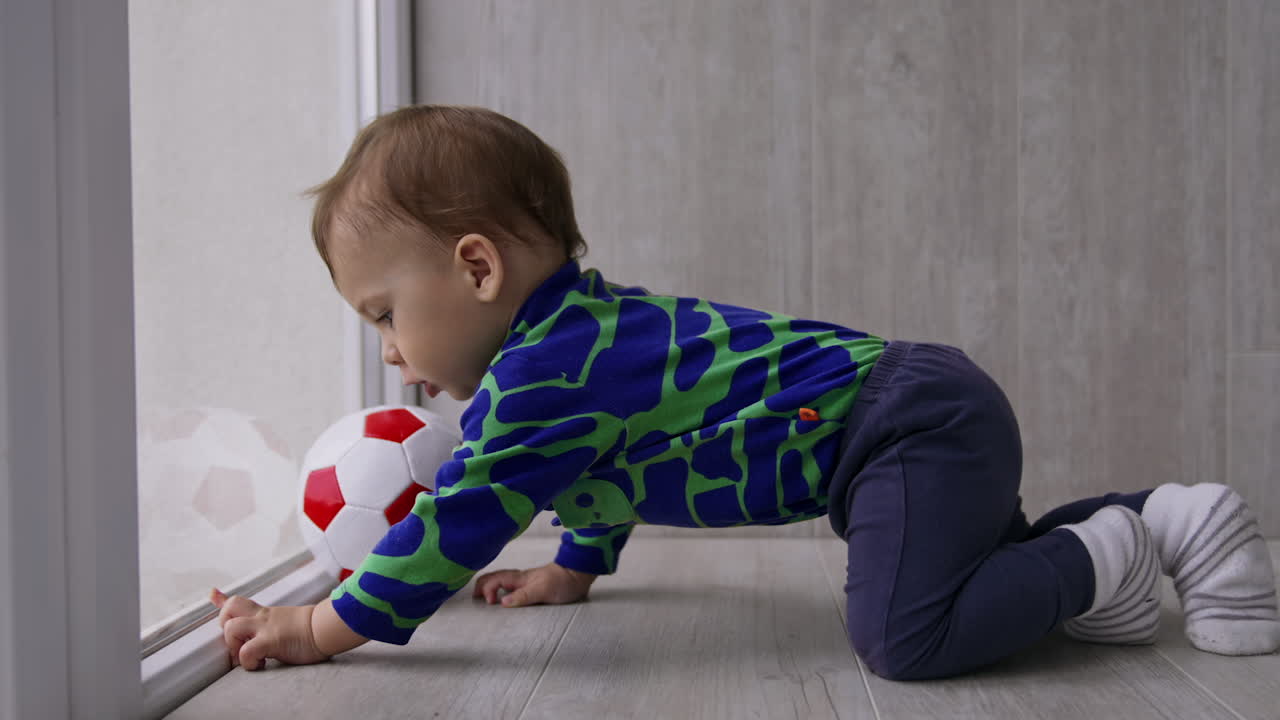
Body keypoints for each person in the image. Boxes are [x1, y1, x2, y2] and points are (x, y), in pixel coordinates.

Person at [210, 105, 1280, 680]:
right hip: (916, 419)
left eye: (383, 312)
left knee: (906, 641)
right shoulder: (575, 344)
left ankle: (1117, 547)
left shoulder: (542, 375)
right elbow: (607, 468)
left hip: (897, 431)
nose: (392, 353)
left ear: (477, 270)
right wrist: (577, 569)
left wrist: (314, 630)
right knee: (974, 578)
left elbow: (462, 519)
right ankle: (1121, 539)